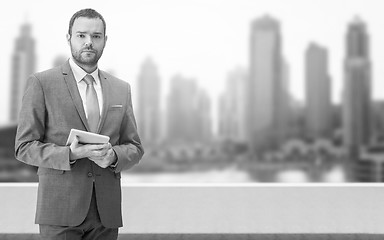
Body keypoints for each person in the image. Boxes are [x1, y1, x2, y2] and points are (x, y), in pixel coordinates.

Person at [15, 8, 144, 240]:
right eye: (81, 35)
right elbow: (23, 147)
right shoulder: (42, 83)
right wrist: (69, 154)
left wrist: (114, 156)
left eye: (96, 36)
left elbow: (134, 146)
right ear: (69, 38)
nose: (89, 43)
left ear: (105, 40)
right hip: (59, 211)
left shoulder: (120, 88)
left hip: (106, 213)